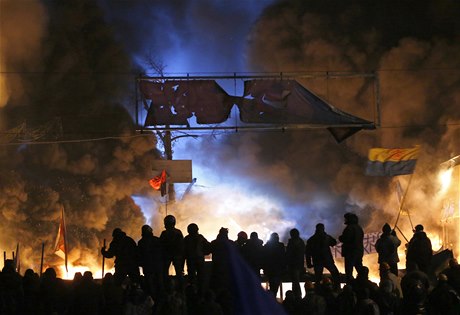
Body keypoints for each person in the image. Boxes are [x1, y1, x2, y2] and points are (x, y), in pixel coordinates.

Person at [305, 223, 341, 289]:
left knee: (318, 278)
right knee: (335, 275)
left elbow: (308, 253)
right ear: (323, 229)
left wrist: (309, 263)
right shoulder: (327, 237)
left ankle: (318, 291)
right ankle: (337, 289)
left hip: (317, 261)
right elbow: (334, 242)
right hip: (327, 259)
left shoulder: (311, 240)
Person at [137, 224, 163, 302]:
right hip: (158, 267)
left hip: (148, 268)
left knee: (150, 285)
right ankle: (160, 300)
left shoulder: (141, 242)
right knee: (160, 284)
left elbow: (139, 255)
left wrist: (140, 263)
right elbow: (162, 252)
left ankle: (152, 300)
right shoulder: (157, 240)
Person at [183, 222, 211, 293]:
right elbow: (208, 247)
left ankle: (193, 292)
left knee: (192, 278)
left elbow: (183, 251)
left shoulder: (187, 239)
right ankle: (201, 292)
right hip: (199, 260)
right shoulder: (200, 237)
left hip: (191, 260)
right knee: (201, 278)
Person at [338, 212, 364, 284]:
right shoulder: (359, 228)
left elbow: (346, 239)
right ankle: (363, 281)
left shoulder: (349, 228)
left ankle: (350, 285)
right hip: (358, 251)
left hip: (350, 252)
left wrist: (341, 238)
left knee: (349, 271)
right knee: (359, 267)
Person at [160, 214, 185, 285]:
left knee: (165, 272)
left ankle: (167, 287)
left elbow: (160, 244)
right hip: (176, 255)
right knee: (179, 273)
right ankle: (180, 288)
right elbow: (182, 245)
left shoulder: (164, 233)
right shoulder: (178, 232)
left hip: (167, 256)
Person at [262, 232, 287, 296]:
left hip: (270, 269)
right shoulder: (281, 246)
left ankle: (271, 298)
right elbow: (283, 257)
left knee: (272, 284)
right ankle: (272, 297)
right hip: (278, 269)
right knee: (275, 286)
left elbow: (264, 257)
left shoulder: (267, 246)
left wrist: (264, 268)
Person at [286, 228, 305, 299]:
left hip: (294, 266)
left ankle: (297, 297)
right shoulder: (301, 242)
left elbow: (288, 255)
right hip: (299, 265)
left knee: (295, 282)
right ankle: (297, 297)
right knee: (296, 282)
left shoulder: (292, 243)